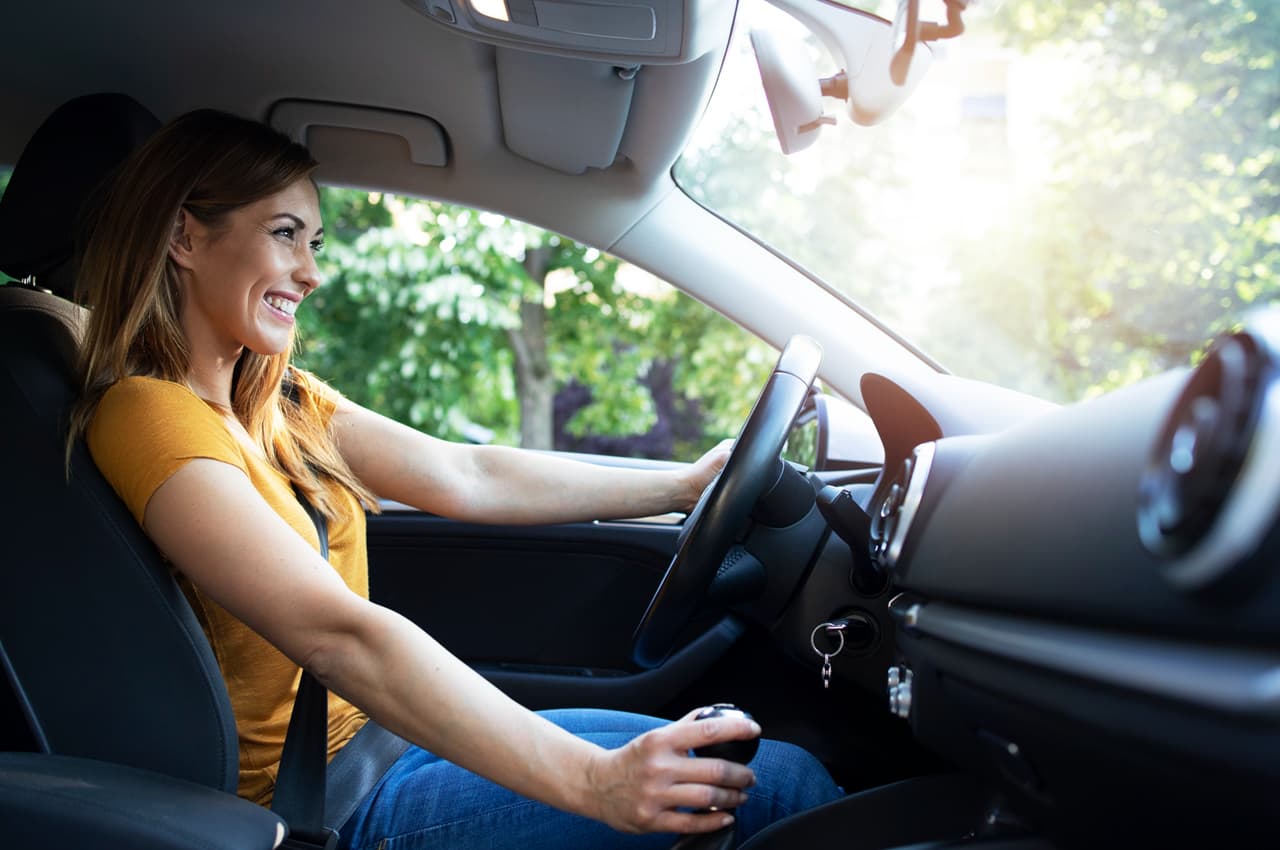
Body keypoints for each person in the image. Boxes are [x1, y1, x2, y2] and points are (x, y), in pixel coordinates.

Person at [68, 109, 840, 850]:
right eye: (284, 235)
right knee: (778, 789)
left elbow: (464, 472)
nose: (311, 272)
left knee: (767, 760)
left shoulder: (280, 400)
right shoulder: (147, 415)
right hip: (321, 803)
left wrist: (683, 488)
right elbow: (335, 635)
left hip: (388, 745)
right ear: (183, 237)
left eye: (316, 241)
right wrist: (594, 782)